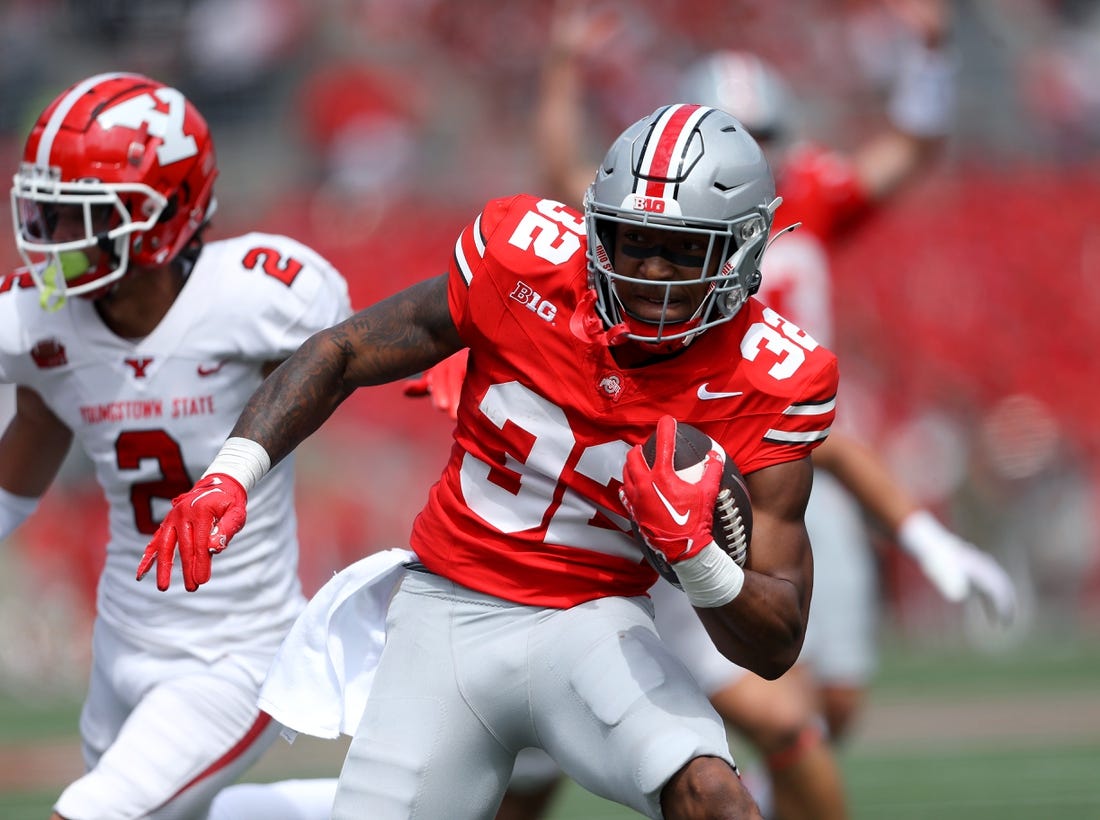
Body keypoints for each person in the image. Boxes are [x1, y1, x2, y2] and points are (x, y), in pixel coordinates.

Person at [138, 102, 839, 820]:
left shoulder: (775, 375)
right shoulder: (522, 258)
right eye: (634, 240)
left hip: (593, 625)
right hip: (445, 618)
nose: (653, 273)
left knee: (714, 798)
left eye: (685, 249)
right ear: (599, 230)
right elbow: (341, 350)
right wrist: (232, 471)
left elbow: (777, 642)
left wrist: (699, 562)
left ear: (745, 252)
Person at [437, 2, 1015, 818]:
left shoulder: (805, 202)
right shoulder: (648, 238)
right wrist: (563, 72)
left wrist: (930, 58)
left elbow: (908, 152)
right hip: (659, 473)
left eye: (766, 134)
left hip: (760, 456)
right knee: (561, 735)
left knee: (803, 704)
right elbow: (573, 194)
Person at [0, 72, 351, 819]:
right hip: (120, 643)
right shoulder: (42, 324)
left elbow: (357, 354)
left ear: (164, 218)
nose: (53, 239)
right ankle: (382, 810)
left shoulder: (255, 296)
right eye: (48, 211)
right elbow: (30, 441)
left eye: (81, 216)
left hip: (234, 653)